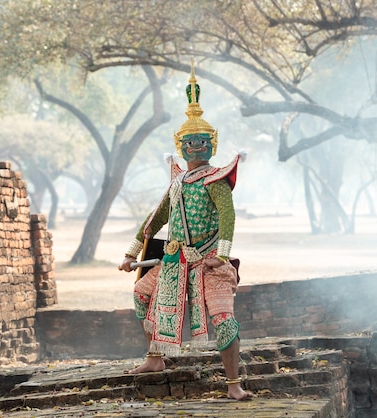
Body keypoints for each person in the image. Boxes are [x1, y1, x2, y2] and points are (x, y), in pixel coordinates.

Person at [119, 60, 252, 401]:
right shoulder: (177, 181)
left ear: (212, 143)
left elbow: (228, 217)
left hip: (210, 262)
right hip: (174, 262)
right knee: (142, 296)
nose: (195, 147)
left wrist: (221, 257)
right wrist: (131, 253)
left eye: (201, 141)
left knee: (223, 319)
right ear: (180, 144)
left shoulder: (216, 180)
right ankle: (154, 358)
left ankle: (234, 385)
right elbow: (157, 216)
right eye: (189, 142)